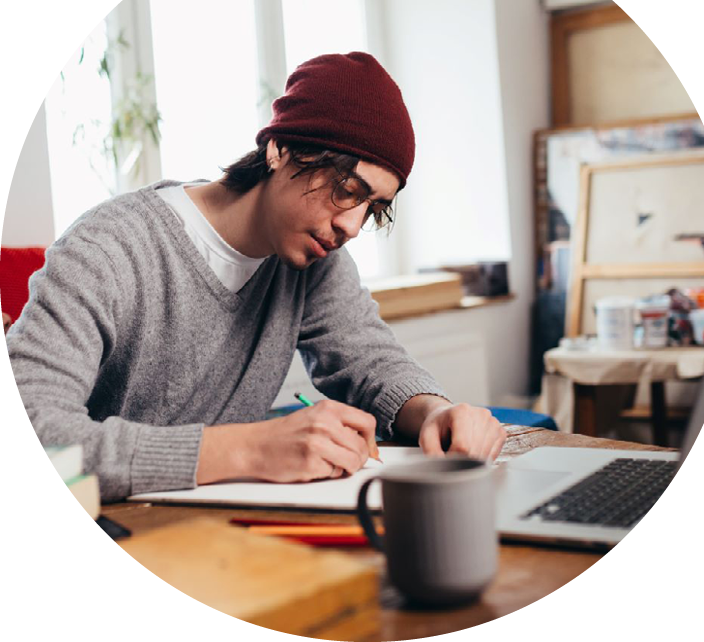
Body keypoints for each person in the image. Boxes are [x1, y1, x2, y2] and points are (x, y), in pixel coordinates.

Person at [8, 52, 506, 502]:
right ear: (280, 149)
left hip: (222, 533)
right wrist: (248, 449)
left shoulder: (316, 259)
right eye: (346, 189)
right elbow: (32, 430)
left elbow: (371, 361)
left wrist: (436, 412)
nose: (352, 226)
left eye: (373, 207)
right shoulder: (110, 246)